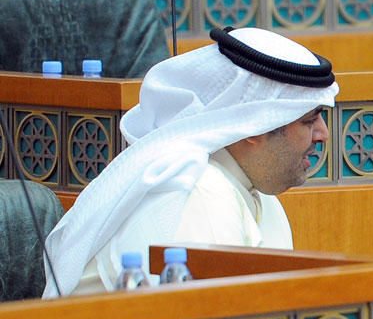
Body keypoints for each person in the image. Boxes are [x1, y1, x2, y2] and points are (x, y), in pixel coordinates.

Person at [42, 26, 338, 297]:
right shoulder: (198, 193)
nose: (323, 134)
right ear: (256, 127)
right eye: (309, 121)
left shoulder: (248, 182)